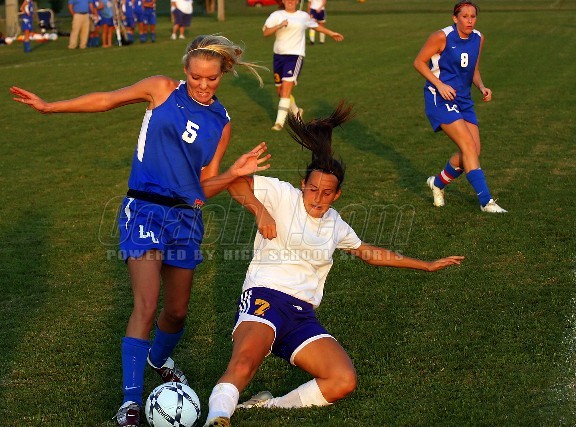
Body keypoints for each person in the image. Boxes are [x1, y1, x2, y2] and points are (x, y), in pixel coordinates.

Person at [10, 35, 270, 427]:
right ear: (185, 71)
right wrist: (50, 107)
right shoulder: (161, 89)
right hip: (144, 210)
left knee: (176, 312)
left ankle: (158, 359)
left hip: (186, 219)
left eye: (211, 79)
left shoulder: (222, 122)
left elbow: (204, 187)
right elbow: (106, 99)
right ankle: (130, 403)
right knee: (146, 304)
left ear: (222, 75)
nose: (203, 85)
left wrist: (233, 173)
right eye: (196, 77)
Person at [203, 103, 465, 427]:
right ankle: (217, 417)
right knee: (245, 363)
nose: (317, 198)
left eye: (327, 193)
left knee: (342, 379)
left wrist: (426, 265)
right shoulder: (283, 194)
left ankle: (265, 408)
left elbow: (368, 252)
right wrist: (260, 210)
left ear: (337, 195)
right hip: (265, 297)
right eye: (313, 189)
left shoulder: (335, 224)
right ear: (303, 184)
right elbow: (235, 182)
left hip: (301, 315)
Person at [413, 1, 506, 213]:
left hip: (464, 100)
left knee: (473, 150)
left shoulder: (478, 38)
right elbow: (418, 62)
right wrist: (440, 85)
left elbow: (473, 69)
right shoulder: (442, 36)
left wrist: (482, 86)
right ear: (455, 18)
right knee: (468, 146)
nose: (470, 20)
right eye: (465, 16)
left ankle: (437, 183)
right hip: (440, 98)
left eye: (473, 16)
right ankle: (486, 202)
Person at [263, 0, 344, 131]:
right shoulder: (276, 15)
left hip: (295, 56)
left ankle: (279, 122)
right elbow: (266, 32)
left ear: (297, 1)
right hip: (278, 57)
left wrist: (331, 33)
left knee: (285, 90)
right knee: (280, 92)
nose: (290, 1)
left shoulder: (303, 16)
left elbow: (315, 26)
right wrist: (279, 25)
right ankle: (296, 112)